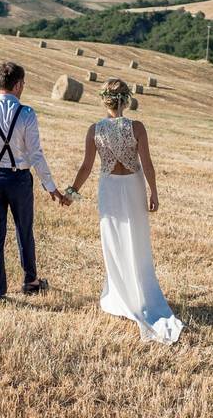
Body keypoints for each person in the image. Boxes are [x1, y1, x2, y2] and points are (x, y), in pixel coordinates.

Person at [67, 78, 183, 344]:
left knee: (114, 242)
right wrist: (154, 191)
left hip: (109, 188)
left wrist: (72, 192)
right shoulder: (137, 127)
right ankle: (141, 294)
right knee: (137, 241)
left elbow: (85, 167)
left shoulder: (95, 129)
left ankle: (119, 296)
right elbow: (148, 164)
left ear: (104, 100)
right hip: (132, 186)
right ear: (127, 99)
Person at [0, 61, 68, 302]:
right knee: (24, 230)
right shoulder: (26, 113)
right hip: (19, 179)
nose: (23, 87)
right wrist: (50, 186)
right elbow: (36, 154)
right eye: (23, 83)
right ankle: (31, 281)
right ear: (16, 85)